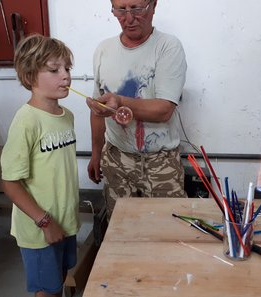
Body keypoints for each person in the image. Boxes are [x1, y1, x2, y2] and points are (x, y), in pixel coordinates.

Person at [87, 0, 188, 217]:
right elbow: (98, 110)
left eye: (137, 8)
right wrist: (96, 153)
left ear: (153, 5)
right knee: (120, 232)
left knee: (168, 233)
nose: (129, 18)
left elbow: (164, 110)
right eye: (120, 10)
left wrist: (120, 101)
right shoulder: (103, 50)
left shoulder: (167, 47)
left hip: (160, 163)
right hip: (116, 159)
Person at [0, 34, 80, 297]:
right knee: (47, 291)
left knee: (60, 278)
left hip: (65, 221)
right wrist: (45, 222)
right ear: (30, 75)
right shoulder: (26, 121)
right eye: (54, 70)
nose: (66, 76)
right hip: (40, 228)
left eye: (67, 68)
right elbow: (10, 182)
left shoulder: (66, 116)